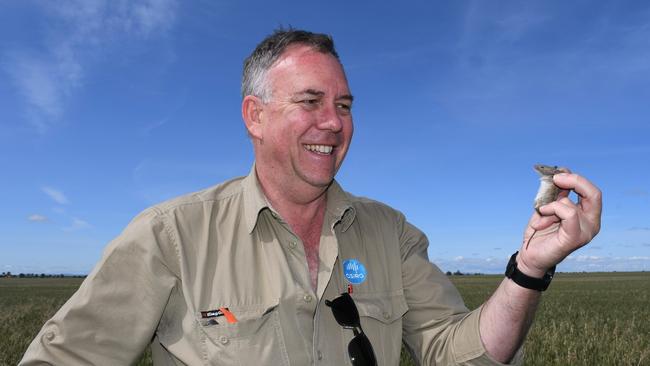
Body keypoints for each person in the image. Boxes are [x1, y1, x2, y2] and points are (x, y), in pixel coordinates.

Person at [20, 29, 602, 366]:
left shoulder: (389, 232)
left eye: (344, 106)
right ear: (255, 115)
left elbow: (462, 353)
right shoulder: (171, 235)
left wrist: (528, 270)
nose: (333, 122)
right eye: (310, 102)